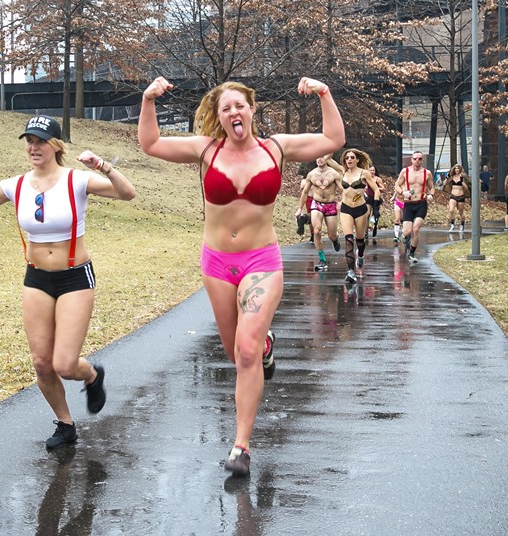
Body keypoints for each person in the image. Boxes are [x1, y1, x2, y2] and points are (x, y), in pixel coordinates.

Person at [138, 76, 345, 477]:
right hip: (217, 263)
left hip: (261, 261)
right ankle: (265, 342)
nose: (234, 112)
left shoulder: (276, 148)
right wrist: (148, 101)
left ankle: (241, 446)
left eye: (240, 105)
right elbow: (151, 144)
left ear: (252, 109)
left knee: (245, 351)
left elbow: (332, 138)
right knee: (237, 352)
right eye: (225, 108)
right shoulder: (206, 150)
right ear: (219, 117)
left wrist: (323, 93)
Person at [0, 115, 137, 449]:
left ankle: (92, 375)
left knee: (65, 364)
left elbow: (127, 194)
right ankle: (65, 425)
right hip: (37, 278)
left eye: (41, 141)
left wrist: (102, 165)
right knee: (41, 363)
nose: (34, 147)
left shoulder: (76, 180)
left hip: (74, 277)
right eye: (29, 141)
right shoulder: (17, 185)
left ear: (56, 146)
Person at [338, 148, 381, 283]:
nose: (349, 160)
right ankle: (351, 271)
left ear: (357, 160)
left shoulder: (364, 173)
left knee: (360, 240)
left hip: (361, 209)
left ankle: (360, 255)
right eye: (347, 158)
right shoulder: (342, 171)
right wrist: (334, 143)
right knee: (349, 240)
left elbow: (376, 190)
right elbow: (327, 159)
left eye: (352, 157)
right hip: (346, 209)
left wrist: (375, 208)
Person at [297, 154, 342, 271]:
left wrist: (341, 202)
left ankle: (335, 240)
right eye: (317, 157)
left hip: (330, 205)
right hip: (317, 204)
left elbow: (343, 190)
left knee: (331, 235)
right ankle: (322, 260)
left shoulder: (334, 174)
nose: (319, 159)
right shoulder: (311, 174)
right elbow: (305, 192)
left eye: (322, 157)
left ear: (326, 159)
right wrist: (299, 209)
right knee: (316, 231)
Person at [393, 151, 434, 263]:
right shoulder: (405, 171)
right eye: (415, 159)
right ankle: (404, 236)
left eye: (420, 159)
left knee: (416, 229)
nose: (417, 161)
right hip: (408, 204)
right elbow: (396, 185)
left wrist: (430, 195)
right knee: (407, 231)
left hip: (421, 203)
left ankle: (411, 253)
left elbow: (432, 188)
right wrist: (402, 192)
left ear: (422, 160)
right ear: (411, 160)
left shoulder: (427, 173)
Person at [445, 163, 470, 232]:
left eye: (458, 168)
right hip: (453, 195)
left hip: (461, 196)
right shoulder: (452, 177)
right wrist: (447, 178)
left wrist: (462, 182)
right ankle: (452, 224)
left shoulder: (462, 177)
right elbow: (445, 184)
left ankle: (462, 225)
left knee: (461, 212)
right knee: (451, 210)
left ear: (460, 170)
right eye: (455, 168)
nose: (456, 170)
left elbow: (466, 187)